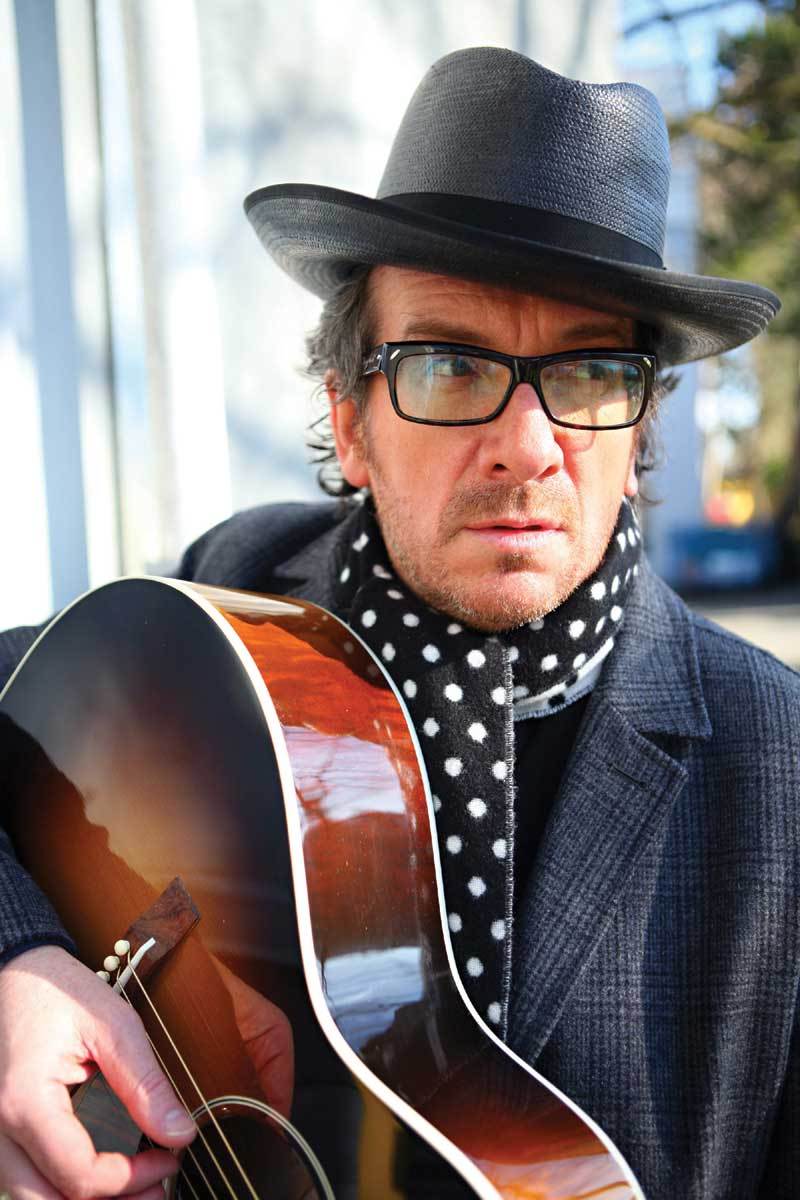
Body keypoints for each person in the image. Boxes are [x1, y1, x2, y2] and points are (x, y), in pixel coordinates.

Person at [0, 45, 797, 1200]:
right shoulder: (220, 615)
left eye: (587, 374)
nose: (526, 446)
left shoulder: (776, 773)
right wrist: (20, 962)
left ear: (638, 434)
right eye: (450, 366)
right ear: (350, 419)